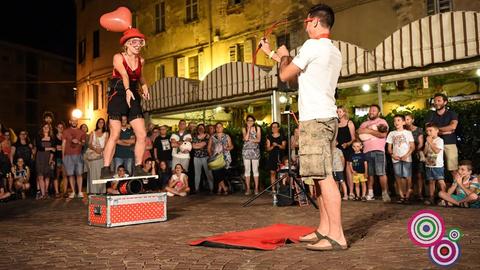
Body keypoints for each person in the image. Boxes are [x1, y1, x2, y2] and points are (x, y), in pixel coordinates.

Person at [259, 3, 347, 250]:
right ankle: (324, 229)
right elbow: (299, 74)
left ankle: (337, 235)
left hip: (315, 119)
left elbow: (286, 76)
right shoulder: (333, 51)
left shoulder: (312, 45)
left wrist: (284, 54)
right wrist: (273, 54)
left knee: (324, 177)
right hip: (326, 117)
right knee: (318, 178)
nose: (305, 26)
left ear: (316, 22)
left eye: (307, 22)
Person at [101, 28, 150, 179]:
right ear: (127, 44)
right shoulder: (118, 57)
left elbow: (140, 76)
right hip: (118, 93)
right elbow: (124, 75)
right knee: (114, 134)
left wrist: (145, 86)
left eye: (140, 42)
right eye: (134, 42)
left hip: (133, 93)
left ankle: (138, 166)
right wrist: (127, 89)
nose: (138, 45)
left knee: (141, 134)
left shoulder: (141, 60)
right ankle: (105, 168)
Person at [357, 104, 390, 202]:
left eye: (374, 110)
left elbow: (383, 134)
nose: (371, 112)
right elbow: (358, 132)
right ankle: (370, 193)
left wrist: (368, 131)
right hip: (367, 151)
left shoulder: (381, 121)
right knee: (370, 174)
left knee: (381, 173)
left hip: (378, 150)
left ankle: (385, 193)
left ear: (378, 113)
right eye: (370, 110)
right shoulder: (364, 123)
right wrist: (367, 133)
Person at [425, 93, 458, 175]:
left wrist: (436, 130)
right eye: (435, 101)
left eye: (439, 101)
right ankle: (439, 187)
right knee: (433, 167)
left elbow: (453, 126)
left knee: (453, 169)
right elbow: (428, 129)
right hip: (434, 143)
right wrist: (446, 131)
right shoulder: (431, 115)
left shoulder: (452, 114)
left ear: (445, 102)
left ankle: (457, 187)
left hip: (449, 143)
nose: (436, 103)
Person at [386, 115, 415, 203]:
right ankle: (401, 195)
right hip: (396, 158)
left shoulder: (408, 133)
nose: (396, 122)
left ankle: (408, 194)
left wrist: (407, 155)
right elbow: (389, 148)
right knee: (398, 176)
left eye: (399, 120)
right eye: (395, 121)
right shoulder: (391, 133)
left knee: (407, 176)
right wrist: (392, 155)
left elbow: (412, 146)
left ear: (403, 122)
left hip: (406, 158)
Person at [62, 118, 87, 199]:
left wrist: (78, 142)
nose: (74, 122)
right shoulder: (65, 131)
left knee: (79, 174)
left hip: (78, 155)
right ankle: (73, 191)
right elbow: (63, 144)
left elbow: (83, 144)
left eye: (76, 121)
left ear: (77, 122)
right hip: (68, 156)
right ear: (70, 121)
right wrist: (63, 156)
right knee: (70, 174)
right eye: (73, 120)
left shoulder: (81, 132)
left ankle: (79, 192)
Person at [424, 123, 447, 206]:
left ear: (436, 131)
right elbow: (425, 152)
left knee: (441, 181)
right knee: (431, 182)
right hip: (429, 165)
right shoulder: (427, 141)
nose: (428, 133)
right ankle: (431, 198)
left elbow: (437, 151)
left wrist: (430, 142)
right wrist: (427, 144)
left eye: (430, 130)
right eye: (427, 131)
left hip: (438, 165)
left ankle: (444, 198)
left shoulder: (440, 140)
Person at [207, 122, 233, 195]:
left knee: (221, 173)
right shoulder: (212, 137)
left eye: (220, 127)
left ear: (222, 128)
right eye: (217, 127)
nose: (218, 128)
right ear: (215, 128)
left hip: (225, 157)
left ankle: (220, 188)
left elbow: (231, 146)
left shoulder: (227, 136)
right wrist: (211, 155)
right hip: (215, 157)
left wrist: (228, 148)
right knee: (216, 173)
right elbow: (208, 148)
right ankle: (224, 188)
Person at [336, 106, 356, 200]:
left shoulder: (349, 123)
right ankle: (340, 192)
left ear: (344, 112)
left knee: (348, 170)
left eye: (340, 111)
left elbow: (353, 138)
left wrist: (347, 144)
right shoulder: (336, 124)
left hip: (348, 149)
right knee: (338, 171)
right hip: (338, 150)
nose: (338, 113)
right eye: (337, 112)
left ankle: (351, 192)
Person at [405, 113, 425, 200]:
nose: (406, 121)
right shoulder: (403, 131)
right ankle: (410, 193)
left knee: (419, 174)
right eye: (404, 120)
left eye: (408, 119)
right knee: (409, 175)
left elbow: (421, 143)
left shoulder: (419, 130)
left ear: (412, 120)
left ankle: (420, 194)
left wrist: (413, 150)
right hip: (406, 155)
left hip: (416, 154)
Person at [86, 118, 109, 194]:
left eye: (102, 122)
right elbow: (89, 144)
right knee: (93, 174)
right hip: (93, 156)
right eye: (99, 122)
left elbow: (106, 145)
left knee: (101, 174)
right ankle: (93, 192)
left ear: (104, 124)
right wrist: (95, 149)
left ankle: (101, 191)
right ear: (97, 123)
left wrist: (101, 150)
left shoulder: (106, 133)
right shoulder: (93, 132)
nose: (101, 124)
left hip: (102, 156)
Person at [34, 123, 56, 199]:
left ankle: (46, 192)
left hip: (48, 157)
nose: (46, 128)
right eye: (44, 127)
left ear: (50, 129)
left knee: (47, 176)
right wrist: (50, 148)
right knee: (40, 176)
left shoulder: (52, 137)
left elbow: (54, 150)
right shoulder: (38, 137)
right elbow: (39, 148)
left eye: (48, 127)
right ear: (42, 128)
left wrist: (51, 159)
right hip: (40, 157)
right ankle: (42, 194)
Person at [242, 115, 261, 195]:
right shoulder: (244, 129)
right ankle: (248, 189)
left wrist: (251, 139)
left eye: (251, 120)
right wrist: (249, 129)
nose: (250, 122)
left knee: (255, 170)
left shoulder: (257, 128)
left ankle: (256, 188)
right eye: (248, 120)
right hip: (246, 152)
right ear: (246, 121)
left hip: (255, 151)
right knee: (247, 170)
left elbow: (258, 140)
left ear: (254, 121)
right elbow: (245, 138)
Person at [192, 124, 214, 193]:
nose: (200, 129)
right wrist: (199, 145)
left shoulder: (208, 136)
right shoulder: (195, 136)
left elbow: (204, 144)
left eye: (202, 128)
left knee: (208, 173)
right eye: (199, 128)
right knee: (197, 174)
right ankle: (196, 189)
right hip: (196, 157)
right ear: (197, 129)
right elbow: (193, 146)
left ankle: (211, 189)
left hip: (206, 157)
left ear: (204, 129)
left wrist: (198, 145)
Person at [266, 122, 286, 194]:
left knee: (281, 173)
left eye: (275, 127)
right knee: (272, 172)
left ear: (278, 128)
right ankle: (273, 189)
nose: (273, 128)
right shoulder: (269, 137)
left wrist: (277, 145)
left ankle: (281, 188)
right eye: (272, 127)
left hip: (280, 155)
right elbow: (268, 149)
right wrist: (273, 146)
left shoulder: (282, 136)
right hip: (272, 156)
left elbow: (283, 147)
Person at [52, 122, 67, 198]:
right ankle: (57, 192)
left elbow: (66, 147)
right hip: (57, 158)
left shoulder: (65, 137)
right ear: (56, 128)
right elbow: (54, 148)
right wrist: (61, 147)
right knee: (56, 175)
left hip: (65, 158)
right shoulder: (54, 137)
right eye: (59, 127)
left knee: (64, 175)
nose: (60, 128)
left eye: (62, 127)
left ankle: (64, 192)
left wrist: (60, 147)